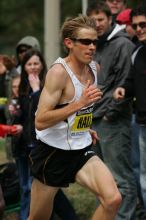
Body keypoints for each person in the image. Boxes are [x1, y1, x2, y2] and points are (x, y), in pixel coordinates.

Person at [28, 15, 122, 220]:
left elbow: (79, 111)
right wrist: (79, 103)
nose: (92, 47)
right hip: (52, 153)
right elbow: (41, 120)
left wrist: (82, 127)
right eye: (86, 42)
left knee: (113, 199)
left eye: (95, 42)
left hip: (81, 149)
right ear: (69, 43)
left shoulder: (94, 69)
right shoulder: (58, 73)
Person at [8, 49, 79, 220]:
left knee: (47, 187)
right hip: (23, 144)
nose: (32, 67)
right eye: (29, 64)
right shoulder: (21, 86)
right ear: (24, 67)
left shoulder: (50, 82)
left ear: (42, 65)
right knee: (28, 187)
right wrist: (14, 112)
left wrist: (36, 89)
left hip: (43, 144)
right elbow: (26, 115)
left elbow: (45, 114)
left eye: (36, 63)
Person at [87, 2, 137, 219]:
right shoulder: (95, 45)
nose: (96, 24)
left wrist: (110, 114)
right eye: (93, 20)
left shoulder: (122, 44)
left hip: (112, 121)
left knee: (121, 179)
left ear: (109, 19)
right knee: (102, 181)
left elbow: (127, 82)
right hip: (93, 121)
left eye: (100, 20)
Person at [113, 4, 146, 217]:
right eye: (135, 26)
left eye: (143, 24)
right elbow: (132, 80)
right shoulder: (138, 52)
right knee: (144, 178)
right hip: (142, 123)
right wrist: (123, 88)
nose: (139, 29)